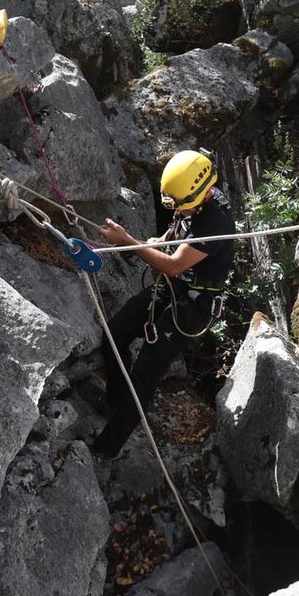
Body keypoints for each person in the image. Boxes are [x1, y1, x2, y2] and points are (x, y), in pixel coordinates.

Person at [89, 149, 236, 460]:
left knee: (145, 375)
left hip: (192, 305)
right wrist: (159, 240)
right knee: (115, 333)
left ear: (203, 192)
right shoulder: (193, 199)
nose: (178, 210)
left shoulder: (216, 221)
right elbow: (178, 232)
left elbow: (173, 265)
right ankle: (116, 399)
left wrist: (127, 240)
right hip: (170, 289)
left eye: (182, 205)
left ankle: (106, 449)